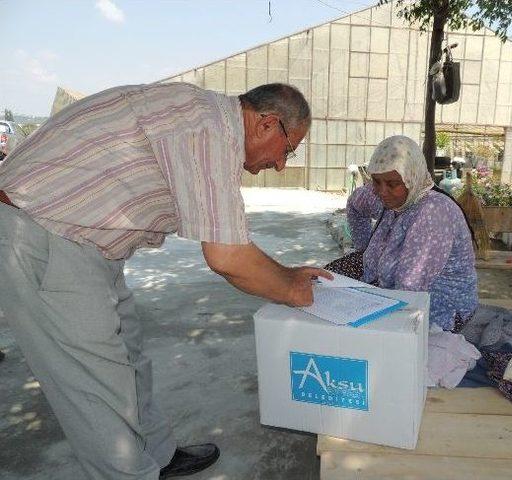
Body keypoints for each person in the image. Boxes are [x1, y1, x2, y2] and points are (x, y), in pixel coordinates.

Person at [0, 82, 330, 479]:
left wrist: (288, 275)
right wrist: (294, 290)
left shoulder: (210, 121)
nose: (281, 164)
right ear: (266, 124)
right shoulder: (208, 130)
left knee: (128, 356)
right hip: (42, 235)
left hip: (86, 240)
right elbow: (228, 257)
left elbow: (230, 239)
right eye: (288, 148)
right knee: (95, 386)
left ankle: (158, 455)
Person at [328, 135, 478, 331]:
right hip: (388, 282)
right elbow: (355, 204)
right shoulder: (383, 197)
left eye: (392, 184)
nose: (382, 191)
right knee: (326, 279)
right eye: (376, 181)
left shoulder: (433, 213)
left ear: (411, 178)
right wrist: (365, 249)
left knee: (349, 324)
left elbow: (408, 289)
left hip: (440, 304)